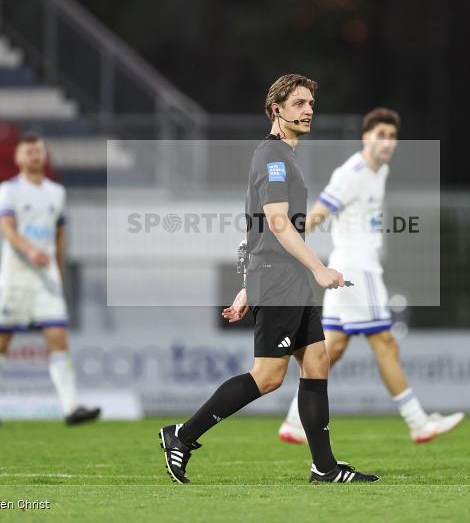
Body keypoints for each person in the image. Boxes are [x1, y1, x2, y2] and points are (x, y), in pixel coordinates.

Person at [159, 74, 379, 484]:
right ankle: (182, 436)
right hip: (279, 278)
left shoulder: (284, 157)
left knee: (317, 362)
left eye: (310, 103)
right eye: (298, 103)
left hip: (283, 277)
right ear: (276, 109)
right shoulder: (272, 156)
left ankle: (325, 468)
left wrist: (247, 285)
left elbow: (255, 230)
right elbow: (277, 223)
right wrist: (317, 267)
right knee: (268, 376)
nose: (308, 110)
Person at [276, 107, 465, 444]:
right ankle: (418, 422)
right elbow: (319, 213)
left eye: (392, 137)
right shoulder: (353, 172)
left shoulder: (381, 170)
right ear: (366, 138)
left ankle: (294, 421)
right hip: (357, 270)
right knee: (385, 344)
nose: (387, 142)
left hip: (349, 267)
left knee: (331, 349)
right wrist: (288, 246)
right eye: (381, 135)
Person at [0, 133, 100, 427]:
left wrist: (58, 269)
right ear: (18, 158)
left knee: (58, 337)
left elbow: (60, 233)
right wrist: (30, 250)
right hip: (15, 277)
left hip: (46, 280)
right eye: (29, 151)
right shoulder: (9, 189)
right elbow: (6, 228)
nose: (35, 155)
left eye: (39, 151)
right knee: (1, 340)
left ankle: (71, 407)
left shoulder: (56, 192)